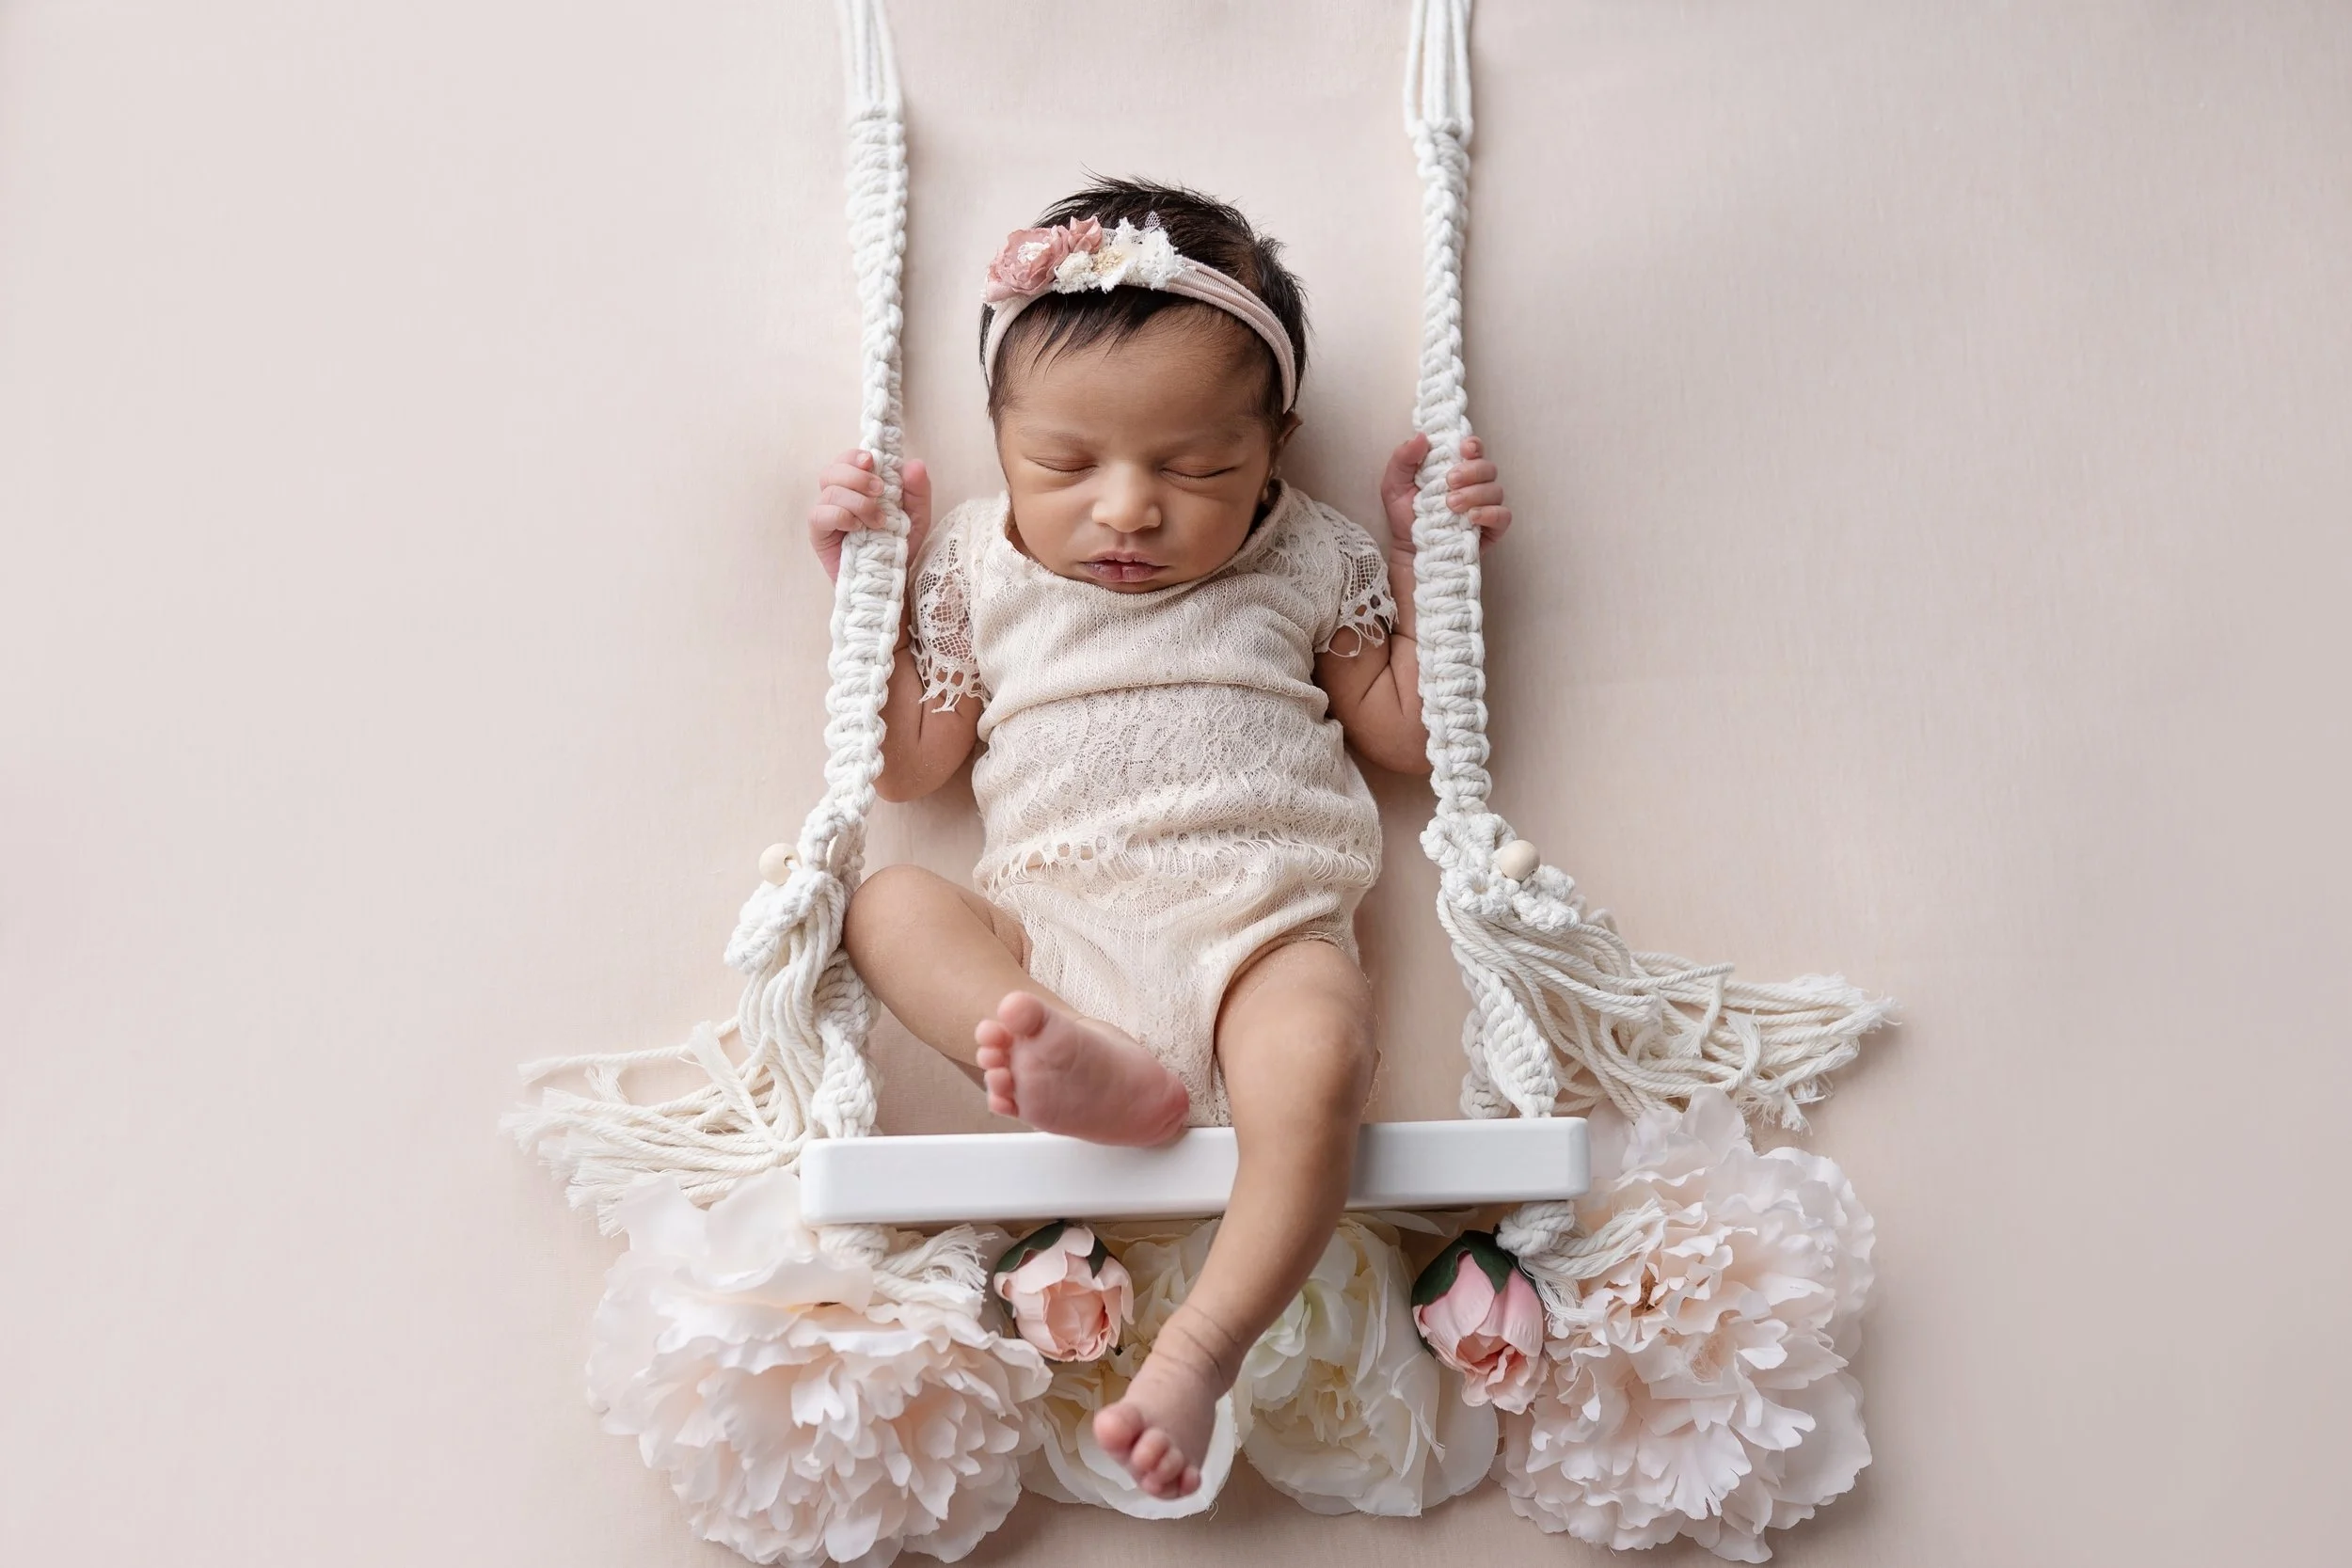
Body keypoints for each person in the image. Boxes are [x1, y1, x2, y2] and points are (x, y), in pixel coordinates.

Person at [805, 179, 1510, 1499]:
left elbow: (1412, 735)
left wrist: (1433, 567)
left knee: (1320, 1056)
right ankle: (1089, 1067)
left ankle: (1201, 1346)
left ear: (1274, 450)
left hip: (1264, 929)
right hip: (1052, 937)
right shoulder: (980, 565)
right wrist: (866, 589)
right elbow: (911, 763)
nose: (1127, 509)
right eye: (1065, 465)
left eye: (1196, 470)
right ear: (1002, 439)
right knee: (889, 902)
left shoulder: (1308, 554)